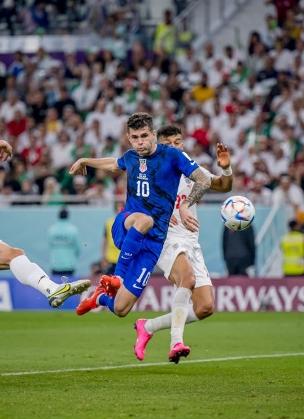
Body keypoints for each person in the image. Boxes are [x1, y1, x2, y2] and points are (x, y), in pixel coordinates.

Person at [69, 113, 212, 363]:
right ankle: (116, 277)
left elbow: (204, 179)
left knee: (122, 308)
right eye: (134, 138)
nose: (140, 142)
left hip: (153, 243)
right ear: (129, 138)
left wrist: (187, 205)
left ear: (154, 135)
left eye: (144, 136)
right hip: (128, 224)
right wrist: (85, 160)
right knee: (144, 219)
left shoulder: (172, 156)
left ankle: (98, 297)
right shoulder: (131, 157)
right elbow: (114, 164)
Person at [133, 125, 233, 361]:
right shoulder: (151, 173)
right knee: (186, 279)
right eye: (171, 143)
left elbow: (222, 185)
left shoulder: (190, 170)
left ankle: (147, 327)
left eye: (179, 142)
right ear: (160, 145)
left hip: (190, 241)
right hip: (164, 238)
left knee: (205, 307)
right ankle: (176, 342)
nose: (177, 147)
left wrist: (226, 168)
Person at [0, 139, 90, 307]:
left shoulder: (53, 229)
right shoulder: (71, 228)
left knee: (14, 255)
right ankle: (52, 288)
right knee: (14, 255)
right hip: (68, 262)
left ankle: (51, 288)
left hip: (57, 262)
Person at [48, 207, 81, 277]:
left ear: (58, 216)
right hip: (69, 265)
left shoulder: (51, 229)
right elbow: (78, 248)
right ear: (68, 216)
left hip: (55, 264)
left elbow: (50, 245)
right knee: (69, 286)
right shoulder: (73, 229)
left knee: (56, 287)